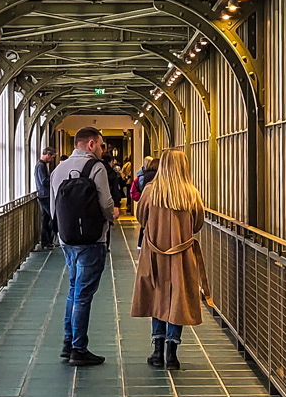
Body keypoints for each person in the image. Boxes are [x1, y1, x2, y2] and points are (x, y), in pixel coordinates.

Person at [131, 147, 209, 370]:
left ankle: (157, 351)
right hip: (181, 255)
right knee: (177, 300)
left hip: (154, 253)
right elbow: (198, 224)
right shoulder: (190, 193)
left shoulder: (149, 192)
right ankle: (172, 353)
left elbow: (141, 218)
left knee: (157, 297)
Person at [49, 126, 119, 367]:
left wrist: (62, 234)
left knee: (73, 289)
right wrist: (113, 216)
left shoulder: (58, 169)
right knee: (83, 295)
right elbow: (106, 202)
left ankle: (68, 343)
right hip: (92, 240)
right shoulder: (96, 167)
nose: (102, 150)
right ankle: (79, 348)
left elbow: (53, 208)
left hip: (68, 240)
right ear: (90, 144)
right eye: (100, 145)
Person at [33, 147, 56, 248]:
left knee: (45, 218)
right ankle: (48, 240)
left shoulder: (40, 165)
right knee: (51, 217)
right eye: (52, 157)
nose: (52, 160)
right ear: (48, 155)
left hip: (42, 194)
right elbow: (44, 181)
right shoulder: (41, 166)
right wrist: (52, 178)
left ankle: (45, 241)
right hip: (45, 195)